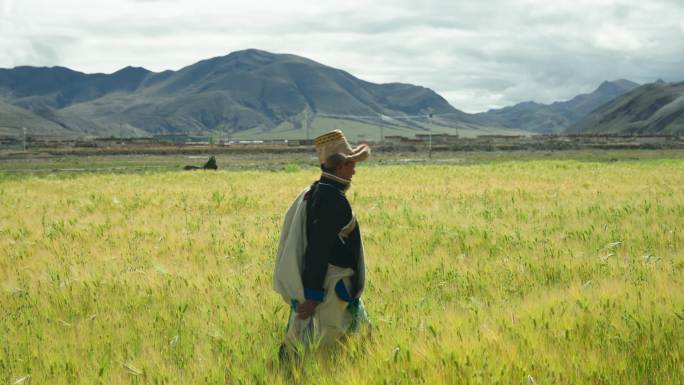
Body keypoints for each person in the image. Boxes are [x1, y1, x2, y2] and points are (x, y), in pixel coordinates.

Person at [273, 129, 371, 354]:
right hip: (331, 290)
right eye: (351, 164)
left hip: (331, 287)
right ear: (339, 166)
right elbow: (317, 250)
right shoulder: (332, 200)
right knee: (327, 346)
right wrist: (313, 295)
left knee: (321, 343)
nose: (354, 170)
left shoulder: (318, 192)